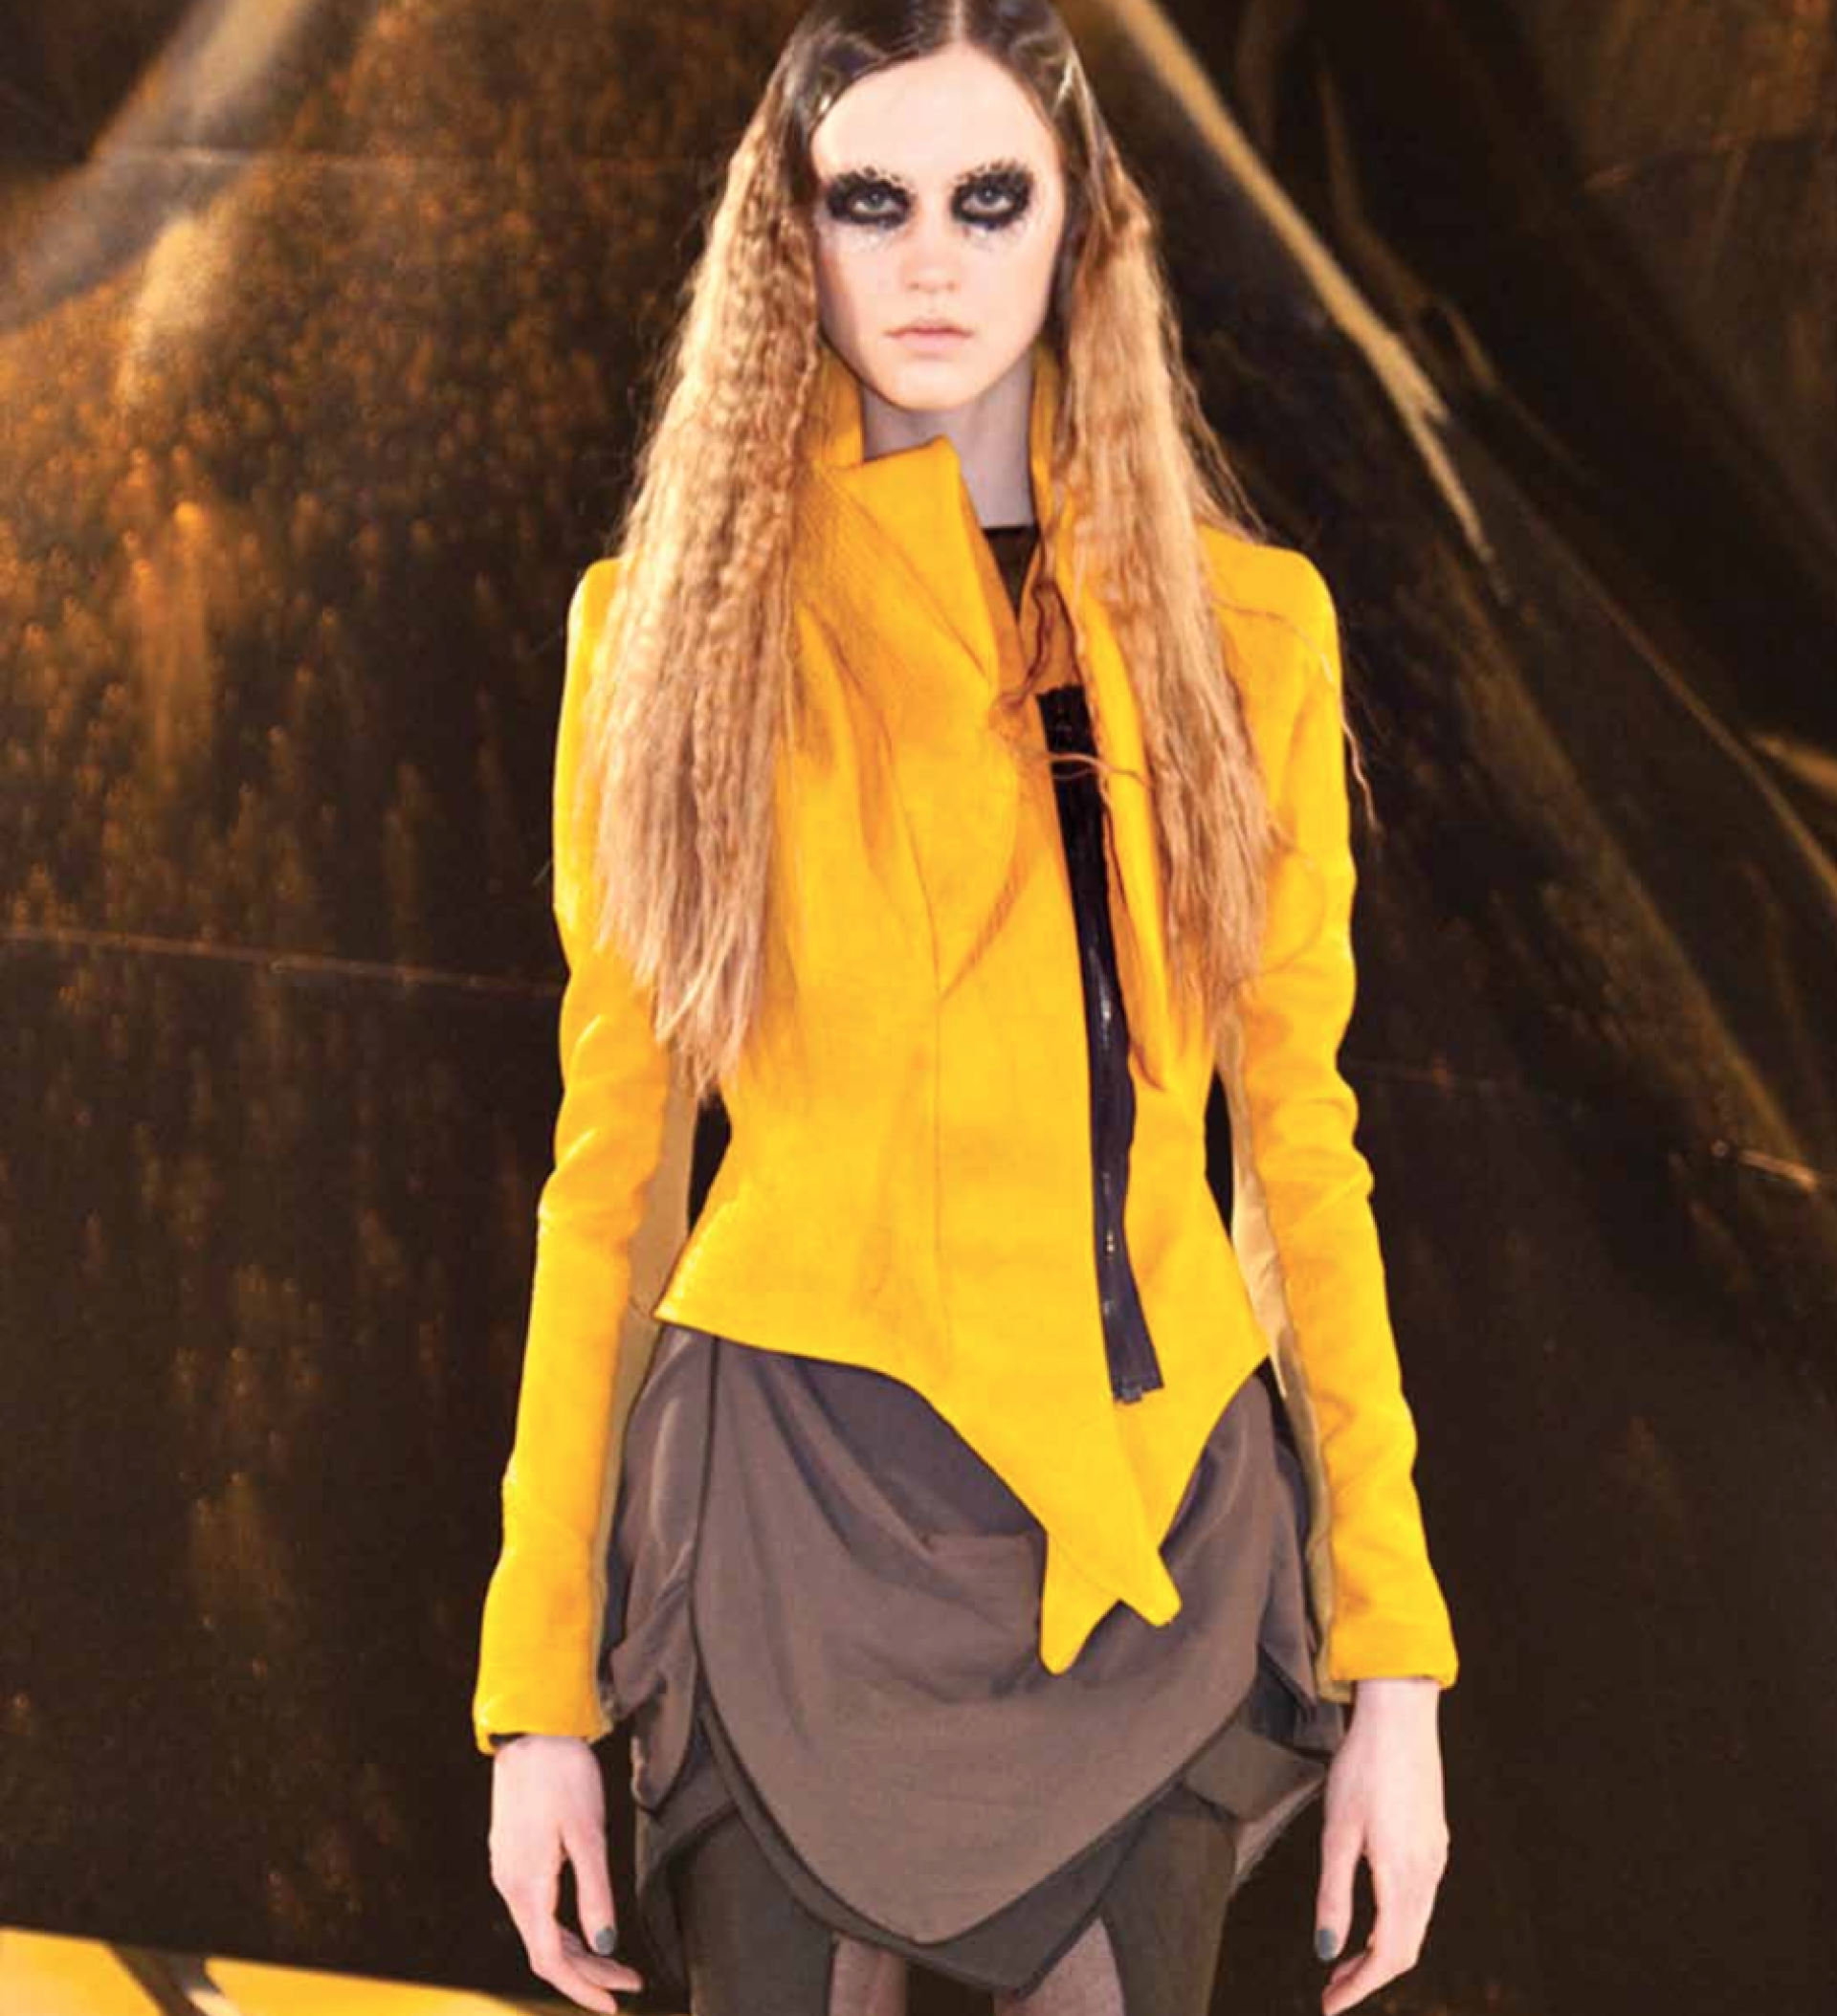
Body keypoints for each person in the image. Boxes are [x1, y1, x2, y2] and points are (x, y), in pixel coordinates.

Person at [476, 6, 1458, 2015]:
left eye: (990, 197)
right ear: (793, 236)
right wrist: (537, 1692)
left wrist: (1398, 1663)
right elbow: (611, 1183)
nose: (931, 258)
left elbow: (1302, 1156)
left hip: (1148, 1525)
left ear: (1082, 225)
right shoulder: (665, 640)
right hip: (790, 1522)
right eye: (874, 201)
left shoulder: (1248, 632)